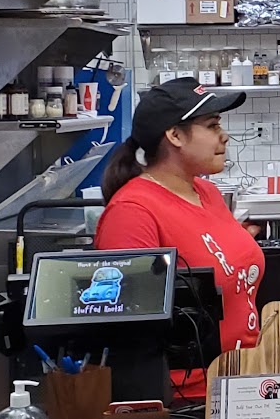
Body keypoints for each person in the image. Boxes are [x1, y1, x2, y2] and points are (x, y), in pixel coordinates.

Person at [94, 77, 264, 390]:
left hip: (242, 382)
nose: (224, 136)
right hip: (188, 398)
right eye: (212, 126)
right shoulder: (132, 212)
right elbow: (133, 330)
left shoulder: (207, 192)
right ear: (174, 135)